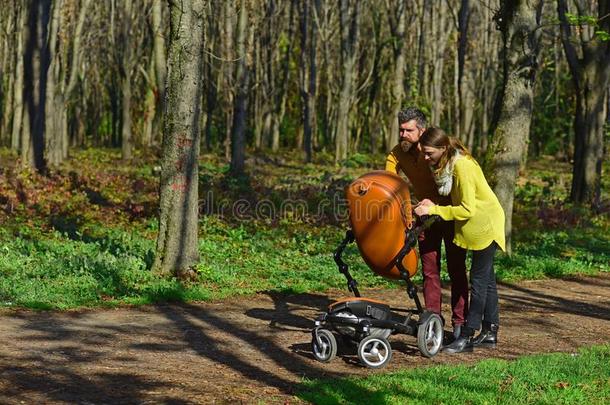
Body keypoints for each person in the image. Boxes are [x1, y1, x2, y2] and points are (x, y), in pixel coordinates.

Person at [414, 127, 505, 354]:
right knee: (488, 280)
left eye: (428, 153)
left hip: (485, 224)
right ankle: (490, 332)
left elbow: (466, 209)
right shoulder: (449, 164)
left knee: (478, 282)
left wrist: (434, 209)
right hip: (477, 224)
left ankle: (467, 336)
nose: (425, 158)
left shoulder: (461, 167)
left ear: (443, 148)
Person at [385, 107, 468, 340]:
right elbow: (390, 181)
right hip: (424, 216)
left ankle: (460, 323)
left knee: (457, 269)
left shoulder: (438, 148)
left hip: (450, 213)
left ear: (422, 129)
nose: (403, 135)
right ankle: (434, 321)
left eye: (408, 130)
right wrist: (405, 207)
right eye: (400, 130)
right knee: (430, 271)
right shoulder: (397, 153)